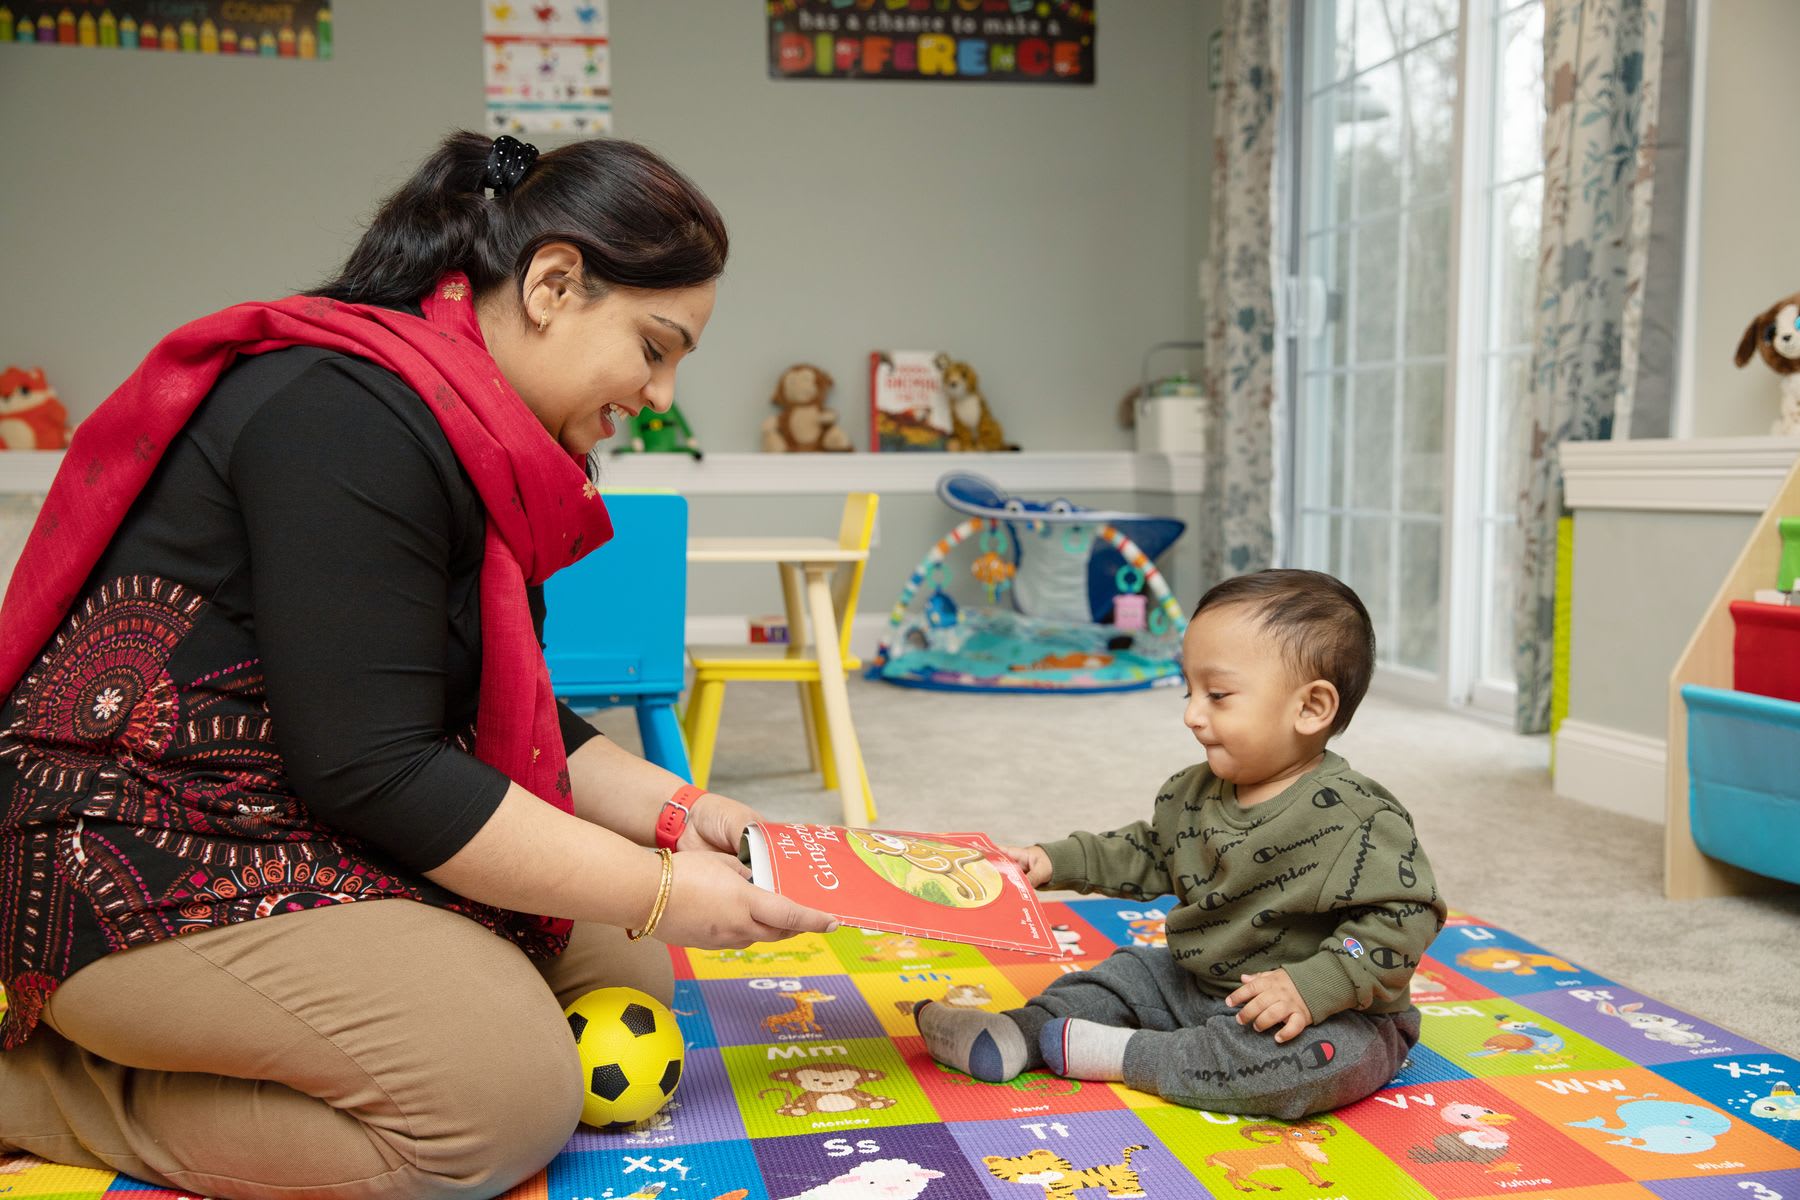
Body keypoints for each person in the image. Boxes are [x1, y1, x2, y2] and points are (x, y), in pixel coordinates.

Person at [0, 132, 837, 1199]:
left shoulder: (475, 433)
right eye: (654, 346)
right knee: (500, 1101)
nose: (659, 393)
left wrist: (685, 817)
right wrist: (667, 889)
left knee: (618, 961)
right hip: (145, 853)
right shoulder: (345, 411)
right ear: (552, 284)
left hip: (303, 812)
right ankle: (42, 1086)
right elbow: (377, 767)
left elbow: (504, 713)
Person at [914, 568, 1445, 1120]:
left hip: (1327, 1010)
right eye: (1190, 690)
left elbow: (1407, 914)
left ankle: (1129, 1055)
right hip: (1196, 981)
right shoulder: (1192, 793)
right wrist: (1055, 860)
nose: (1192, 715)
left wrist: (1317, 983)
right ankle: (1016, 1034)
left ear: (1310, 708)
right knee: (1123, 975)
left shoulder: (1359, 817)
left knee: (1325, 1061)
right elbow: (1149, 851)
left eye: (1218, 695)